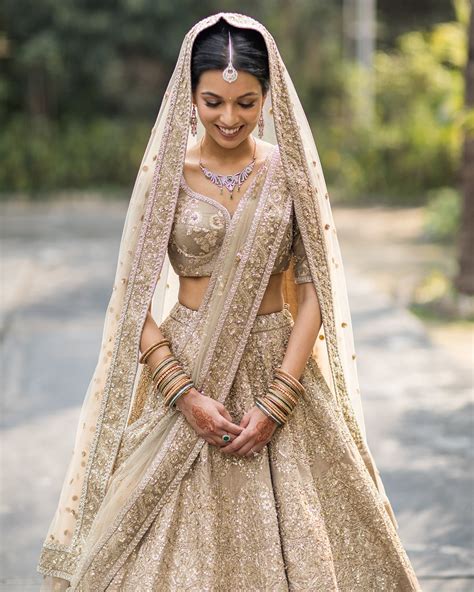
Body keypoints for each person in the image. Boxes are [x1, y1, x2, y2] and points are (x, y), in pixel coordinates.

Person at [37, 12, 422, 591]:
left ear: (268, 97)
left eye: (246, 102)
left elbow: (316, 284)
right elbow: (131, 301)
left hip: (279, 367)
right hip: (187, 370)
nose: (229, 118)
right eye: (213, 101)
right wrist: (183, 394)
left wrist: (279, 399)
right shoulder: (167, 174)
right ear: (190, 95)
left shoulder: (287, 172)